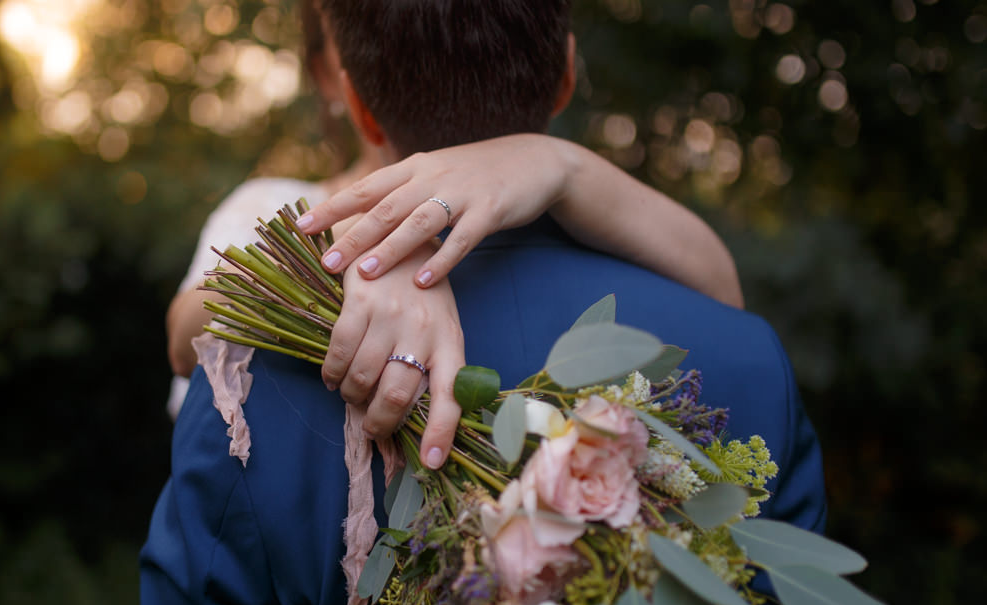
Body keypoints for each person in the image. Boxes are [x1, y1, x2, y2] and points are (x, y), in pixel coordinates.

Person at [110, 1, 842, 605]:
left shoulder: (248, 392)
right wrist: (355, 260)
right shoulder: (745, 362)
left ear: (360, 105)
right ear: (566, 74)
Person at [164, 0, 744, 434]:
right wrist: (351, 248)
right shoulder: (273, 206)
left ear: (355, 100)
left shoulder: (564, 207)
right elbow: (184, 338)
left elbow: (721, 288)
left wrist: (564, 165)